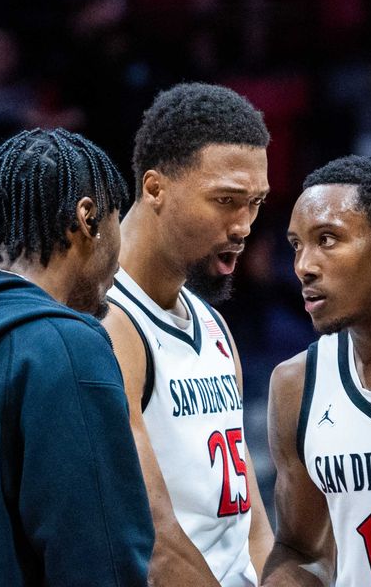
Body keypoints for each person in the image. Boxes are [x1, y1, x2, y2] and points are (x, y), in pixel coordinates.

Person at [0, 128, 153, 586]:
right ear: (87, 219)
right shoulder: (66, 346)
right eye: (117, 221)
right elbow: (100, 559)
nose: (119, 263)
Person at [102, 82, 274, 586]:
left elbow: (252, 524)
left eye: (255, 203)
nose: (244, 225)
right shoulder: (111, 322)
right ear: (155, 188)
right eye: (226, 200)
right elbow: (152, 538)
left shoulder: (214, 325)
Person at [263, 155, 371, 586]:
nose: (303, 266)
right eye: (297, 244)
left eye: (328, 239)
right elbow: (298, 547)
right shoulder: (297, 384)